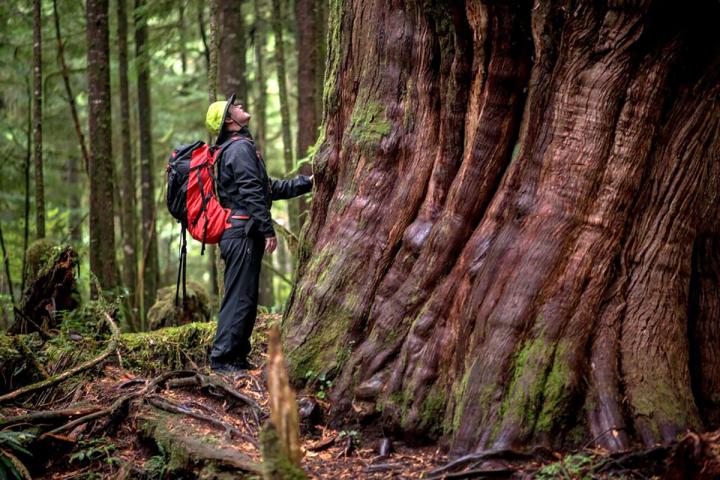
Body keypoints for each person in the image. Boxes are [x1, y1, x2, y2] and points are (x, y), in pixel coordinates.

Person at [205, 93, 313, 373]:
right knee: (240, 297)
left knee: (245, 297)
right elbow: (253, 193)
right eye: (235, 107)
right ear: (229, 120)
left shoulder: (236, 148)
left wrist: (307, 183)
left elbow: (266, 188)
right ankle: (223, 360)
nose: (240, 106)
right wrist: (268, 230)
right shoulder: (239, 149)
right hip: (242, 232)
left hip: (239, 231)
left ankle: (236, 356)